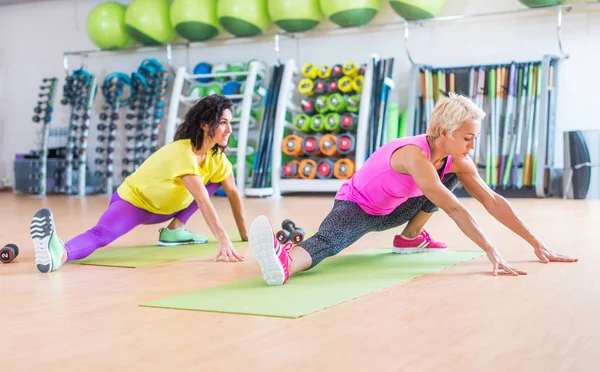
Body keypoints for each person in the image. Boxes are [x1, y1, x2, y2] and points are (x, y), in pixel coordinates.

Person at [248, 93, 578, 286]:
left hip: (395, 209)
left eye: (474, 138)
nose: (472, 146)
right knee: (329, 243)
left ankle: (409, 238)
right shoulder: (414, 155)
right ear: (445, 132)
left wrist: (537, 243)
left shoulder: (456, 160)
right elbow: (452, 208)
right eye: (467, 138)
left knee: (449, 179)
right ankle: (285, 262)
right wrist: (492, 250)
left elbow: (492, 200)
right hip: (358, 207)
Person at [30, 95, 248, 273]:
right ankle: (58, 253)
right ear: (204, 124)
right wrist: (223, 239)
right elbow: (201, 199)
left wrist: (244, 235)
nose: (229, 129)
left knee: (216, 181)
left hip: (167, 209)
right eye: (222, 123)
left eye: (230, 123)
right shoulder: (182, 152)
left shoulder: (216, 158)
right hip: (134, 202)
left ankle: (174, 231)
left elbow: (233, 193)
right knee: (102, 234)